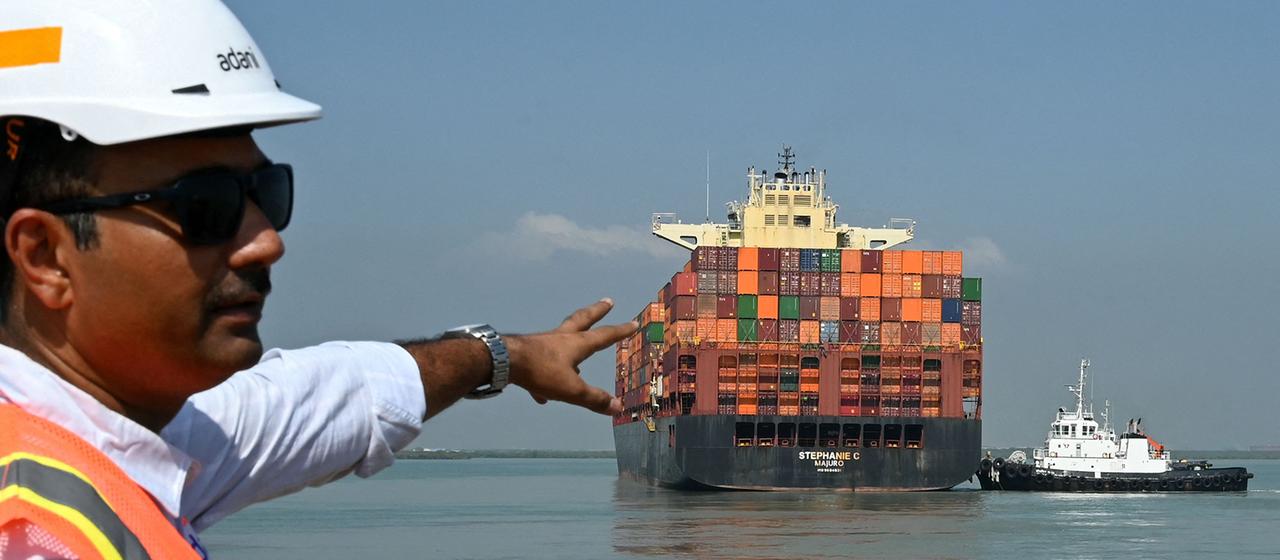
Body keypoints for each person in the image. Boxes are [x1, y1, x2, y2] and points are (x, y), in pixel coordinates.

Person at [0, 2, 632, 558]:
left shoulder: (126, 440)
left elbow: (333, 395)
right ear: (45, 256)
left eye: (266, 193)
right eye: (208, 205)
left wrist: (506, 355)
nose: (267, 241)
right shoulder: (33, 531)